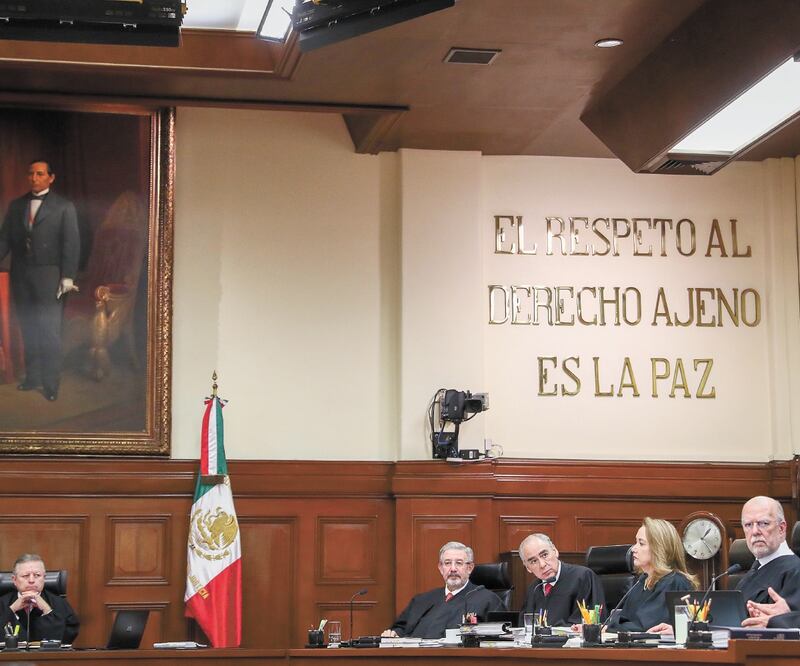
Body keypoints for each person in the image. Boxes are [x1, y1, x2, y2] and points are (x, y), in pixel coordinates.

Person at [0, 160, 79, 401]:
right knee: (28, 327)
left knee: (49, 331)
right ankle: (32, 377)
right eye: (31, 173)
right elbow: (4, 240)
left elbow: (71, 243)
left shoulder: (64, 207)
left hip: (49, 276)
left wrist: (67, 276)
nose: (34, 178)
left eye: (40, 174)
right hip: (21, 275)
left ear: (51, 178)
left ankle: (51, 383)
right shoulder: (16, 205)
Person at [381, 541, 505, 639]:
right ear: (440, 568)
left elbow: (500, 638)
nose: (453, 569)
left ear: (470, 568)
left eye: (459, 563)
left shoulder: (488, 600)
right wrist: (393, 634)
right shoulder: (422, 600)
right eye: (447, 563)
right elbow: (400, 628)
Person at [606, 517, 698, 633]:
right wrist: (606, 627)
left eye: (641, 543)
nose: (633, 548)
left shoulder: (673, 581)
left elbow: (645, 626)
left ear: (659, 548)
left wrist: (611, 628)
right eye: (636, 542)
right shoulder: (642, 581)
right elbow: (624, 619)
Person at [736, 496, 800, 625]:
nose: (755, 531)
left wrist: (783, 621)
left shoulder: (795, 571)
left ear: (781, 529)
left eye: (763, 523)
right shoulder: (750, 573)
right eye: (748, 525)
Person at [518, 533, 605, 626]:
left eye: (544, 555)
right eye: (534, 561)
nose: (542, 564)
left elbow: (589, 625)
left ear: (555, 551)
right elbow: (525, 627)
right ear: (528, 568)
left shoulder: (583, 577)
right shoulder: (533, 589)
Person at [0, 554, 79, 643]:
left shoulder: (60, 604)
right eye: (25, 576)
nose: (31, 580)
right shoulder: (2, 603)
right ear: (14, 580)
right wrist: (11, 610)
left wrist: (47, 611)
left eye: (37, 575)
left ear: (44, 578)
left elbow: (66, 638)